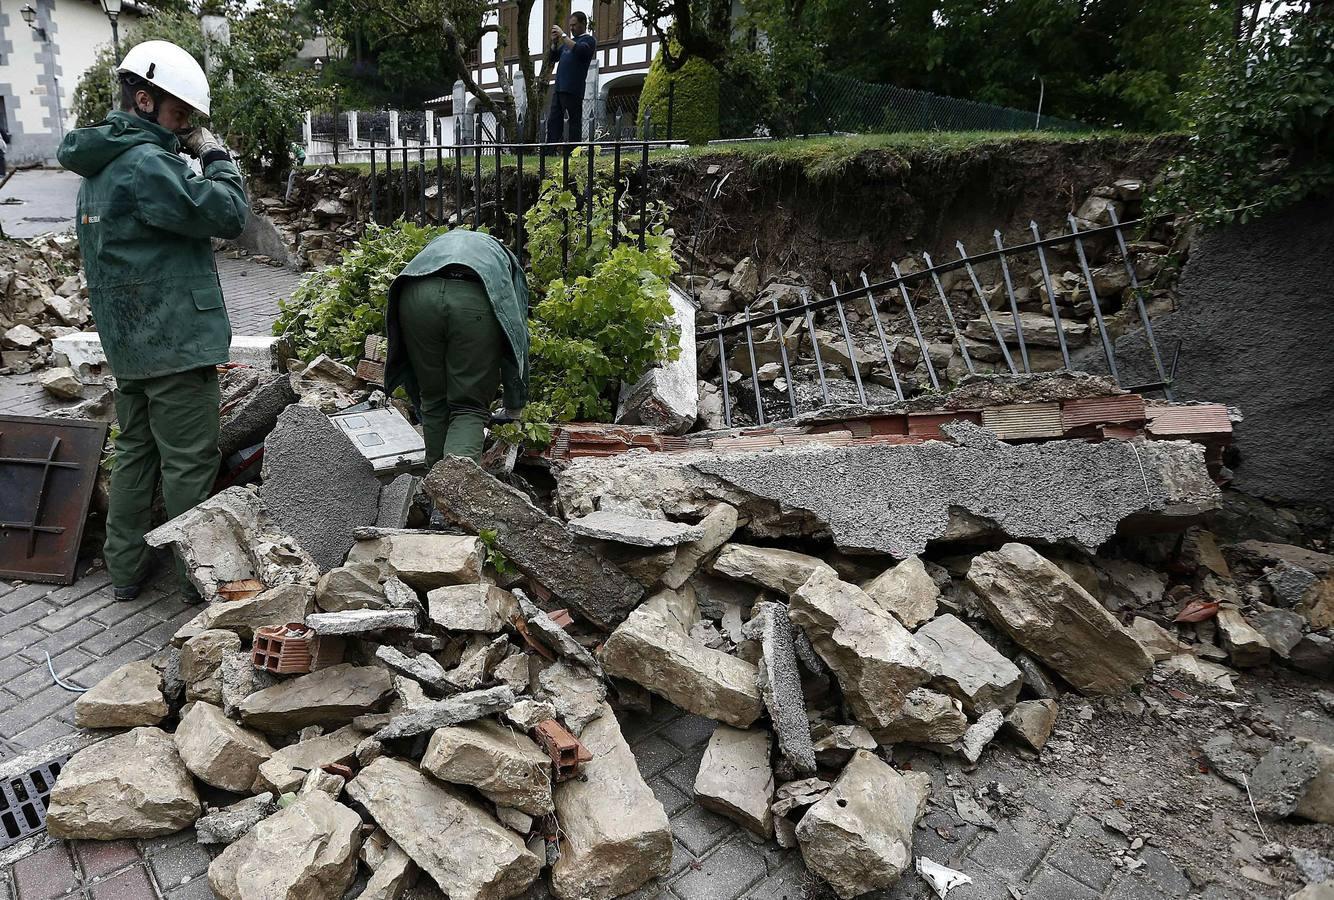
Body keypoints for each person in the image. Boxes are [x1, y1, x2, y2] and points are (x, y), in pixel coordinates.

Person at [57, 40, 248, 602]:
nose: (185, 125)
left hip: (131, 345)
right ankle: (198, 582)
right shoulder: (148, 165)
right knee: (188, 462)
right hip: (174, 341)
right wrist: (215, 157)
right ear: (144, 100)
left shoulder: (99, 168)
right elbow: (230, 214)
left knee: (137, 453)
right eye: (180, 114)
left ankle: (125, 570)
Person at [383, 229, 529, 466]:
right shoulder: (506, 261)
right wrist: (515, 405)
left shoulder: (439, 244)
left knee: (433, 398)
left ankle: (433, 491)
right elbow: (517, 335)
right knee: (467, 406)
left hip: (416, 296)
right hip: (473, 300)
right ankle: (452, 498)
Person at [545, 11, 596, 146]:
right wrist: (554, 43)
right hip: (559, 88)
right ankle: (550, 150)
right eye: (570, 26)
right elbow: (553, 57)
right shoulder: (567, 43)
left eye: (574, 25)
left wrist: (563, 35)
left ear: (583, 24)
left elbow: (579, 50)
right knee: (553, 121)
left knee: (573, 123)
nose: (571, 28)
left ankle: (573, 150)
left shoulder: (588, 40)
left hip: (573, 89)